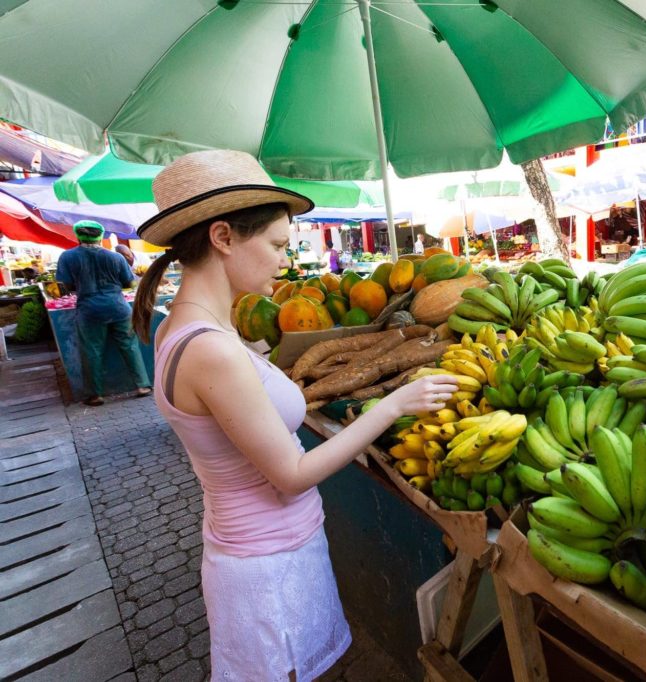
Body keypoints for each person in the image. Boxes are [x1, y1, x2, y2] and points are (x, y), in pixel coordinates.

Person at [131, 149, 457, 681]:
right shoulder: (209, 347)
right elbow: (291, 474)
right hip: (267, 569)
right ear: (223, 237)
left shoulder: (183, 327)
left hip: (258, 551)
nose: (285, 260)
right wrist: (394, 405)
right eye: (278, 244)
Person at [56, 221, 152, 406]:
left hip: (89, 310)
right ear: (101, 236)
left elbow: (65, 285)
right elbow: (129, 283)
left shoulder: (67, 257)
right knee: (130, 345)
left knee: (92, 351)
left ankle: (95, 395)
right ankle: (143, 386)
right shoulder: (115, 257)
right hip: (118, 307)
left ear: (78, 236)